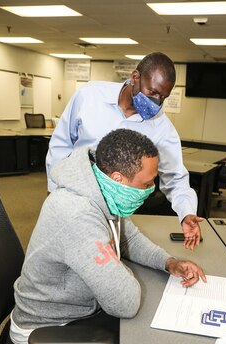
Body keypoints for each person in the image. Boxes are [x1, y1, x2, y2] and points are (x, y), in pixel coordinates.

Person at [10, 128, 206, 344]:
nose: (152, 189)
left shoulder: (99, 189)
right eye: (147, 183)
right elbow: (126, 302)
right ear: (117, 177)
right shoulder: (76, 214)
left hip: (76, 311)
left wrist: (168, 262)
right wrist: (113, 266)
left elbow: (125, 233)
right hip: (45, 332)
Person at [46, 52, 203, 250]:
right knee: (62, 249)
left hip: (116, 208)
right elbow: (61, 143)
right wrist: (53, 189)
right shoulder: (90, 95)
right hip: (74, 194)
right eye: (153, 92)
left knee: (105, 256)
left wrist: (186, 213)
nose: (156, 102)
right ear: (135, 77)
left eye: (163, 97)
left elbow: (176, 178)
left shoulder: (162, 128)